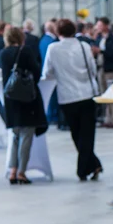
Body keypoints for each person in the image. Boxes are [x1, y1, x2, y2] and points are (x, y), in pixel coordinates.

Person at [42, 19, 102, 180]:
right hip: (87, 93)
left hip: (67, 96)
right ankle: (92, 165)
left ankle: (84, 169)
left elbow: (47, 73)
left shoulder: (53, 48)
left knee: (76, 134)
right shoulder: (84, 46)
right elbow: (93, 69)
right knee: (88, 134)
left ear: (58, 32)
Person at [0, 27, 47, 184]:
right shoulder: (25, 51)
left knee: (15, 135)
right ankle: (21, 172)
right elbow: (37, 72)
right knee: (27, 135)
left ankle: (12, 170)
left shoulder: (2, 54)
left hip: (11, 98)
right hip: (27, 98)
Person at [95, 17, 113, 127]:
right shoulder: (98, 38)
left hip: (109, 69)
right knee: (104, 94)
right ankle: (107, 118)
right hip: (101, 69)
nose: (98, 28)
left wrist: (101, 51)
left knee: (112, 94)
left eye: (100, 25)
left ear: (106, 26)